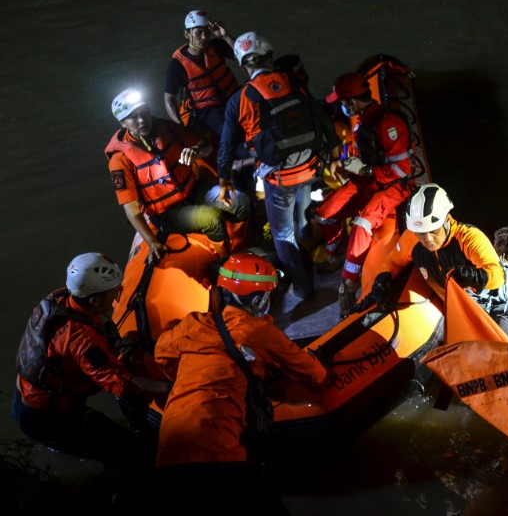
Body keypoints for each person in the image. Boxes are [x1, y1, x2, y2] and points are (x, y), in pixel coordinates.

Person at [153, 253, 329, 515]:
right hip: (218, 454)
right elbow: (315, 375)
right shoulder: (258, 331)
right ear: (258, 300)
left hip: (168, 455)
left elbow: (162, 355)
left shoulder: (191, 325)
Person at [12, 253, 171, 484]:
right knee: (127, 452)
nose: (118, 294)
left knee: (106, 440)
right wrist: (168, 387)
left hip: (28, 398)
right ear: (94, 300)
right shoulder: (82, 340)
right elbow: (120, 383)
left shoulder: (60, 298)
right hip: (45, 416)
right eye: (114, 291)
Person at [219, 32, 334, 300]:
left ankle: (305, 289)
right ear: (269, 55)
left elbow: (225, 145)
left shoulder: (239, 99)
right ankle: (309, 235)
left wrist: (224, 179)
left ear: (243, 65)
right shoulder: (293, 81)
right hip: (309, 167)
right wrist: (334, 155)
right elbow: (320, 117)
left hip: (279, 180)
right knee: (303, 213)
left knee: (282, 236)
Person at [354, 183, 508, 341]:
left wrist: (476, 277)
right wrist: (381, 280)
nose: (428, 239)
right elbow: (392, 262)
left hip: (503, 302)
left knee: (504, 347)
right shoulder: (412, 239)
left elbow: (497, 275)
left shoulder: (468, 237)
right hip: (466, 308)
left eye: (433, 231)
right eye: (421, 233)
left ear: (446, 220)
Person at [106, 88, 251, 260]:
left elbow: (207, 147)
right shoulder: (120, 159)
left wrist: (196, 150)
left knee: (239, 202)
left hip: (194, 190)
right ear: (123, 123)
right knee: (211, 219)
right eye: (133, 117)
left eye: (144, 112)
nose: (142, 120)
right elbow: (131, 210)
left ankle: (241, 246)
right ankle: (224, 259)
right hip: (165, 213)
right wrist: (153, 242)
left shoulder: (166, 127)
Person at [314, 71, 417, 313]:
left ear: (351, 102)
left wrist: (368, 171)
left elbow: (402, 170)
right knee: (324, 213)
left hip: (392, 187)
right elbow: (365, 157)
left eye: (341, 102)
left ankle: (348, 286)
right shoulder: (363, 123)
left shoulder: (389, 124)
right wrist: (350, 167)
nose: (341, 107)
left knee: (362, 224)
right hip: (367, 180)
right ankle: (335, 253)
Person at [163, 10, 240, 144]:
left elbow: (243, 56)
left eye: (207, 32)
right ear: (187, 34)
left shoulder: (217, 46)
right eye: (198, 32)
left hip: (234, 96)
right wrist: (180, 126)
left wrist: (226, 36)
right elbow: (169, 98)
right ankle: (234, 161)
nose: (204, 37)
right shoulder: (177, 65)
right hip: (208, 110)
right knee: (228, 131)